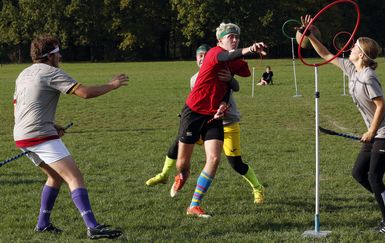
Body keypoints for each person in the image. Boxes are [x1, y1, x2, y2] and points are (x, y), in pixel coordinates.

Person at [13, 35, 128, 239]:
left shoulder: (24, 74)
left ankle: (43, 224)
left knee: (55, 177)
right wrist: (112, 85)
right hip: (39, 135)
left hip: (22, 134)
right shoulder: (51, 72)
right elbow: (85, 93)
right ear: (49, 56)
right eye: (57, 52)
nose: (60, 56)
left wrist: (52, 125)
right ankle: (92, 227)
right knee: (74, 177)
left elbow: (21, 105)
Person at [299, 15, 385, 233]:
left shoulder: (368, 76)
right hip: (374, 133)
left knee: (374, 177)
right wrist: (309, 35)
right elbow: (326, 54)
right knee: (358, 174)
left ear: (362, 55)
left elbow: (381, 106)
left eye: (354, 47)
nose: (350, 48)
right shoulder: (351, 68)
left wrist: (371, 131)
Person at [146, 44, 265, 204]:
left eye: (205, 54)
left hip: (227, 123)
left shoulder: (222, 69)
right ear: (195, 58)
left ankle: (258, 188)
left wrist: (230, 80)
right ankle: (166, 175)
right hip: (204, 121)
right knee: (179, 142)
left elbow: (234, 87)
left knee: (236, 163)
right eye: (199, 55)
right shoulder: (194, 78)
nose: (202, 58)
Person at [170, 22, 267, 218]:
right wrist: (250, 49)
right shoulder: (215, 53)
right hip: (194, 112)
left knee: (214, 159)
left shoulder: (233, 59)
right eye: (230, 36)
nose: (234, 39)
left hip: (215, 115)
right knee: (183, 164)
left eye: (237, 37)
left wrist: (230, 78)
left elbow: (245, 73)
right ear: (220, 40)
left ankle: (194, 205)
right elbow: (228, 56)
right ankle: (181, 175)